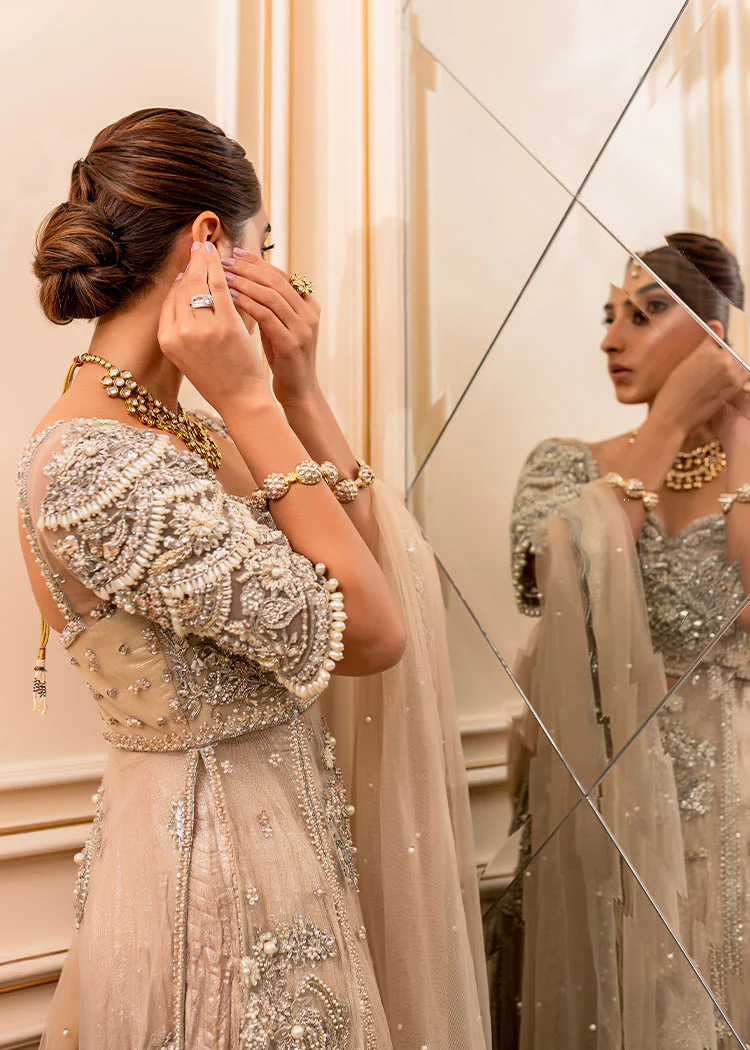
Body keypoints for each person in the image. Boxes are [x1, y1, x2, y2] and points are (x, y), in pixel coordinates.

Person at [17, 107, 490, 1050]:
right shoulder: (94, 465)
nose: (276, 272)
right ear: (209, 241)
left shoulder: (194, 438)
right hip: (210, 889)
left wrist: (299, 391)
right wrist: (249, 395)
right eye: (262, 247)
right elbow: (373, 635)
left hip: (288, 854)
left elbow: (368, 573)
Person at [501, 233, 750, 1047]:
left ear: (719, 333)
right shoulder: (565, 467)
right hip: (611, 796)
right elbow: (560, 580)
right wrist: (670, 422)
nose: (611, 338)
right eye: (610, 316)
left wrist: (739, 430)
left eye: (643, 315)